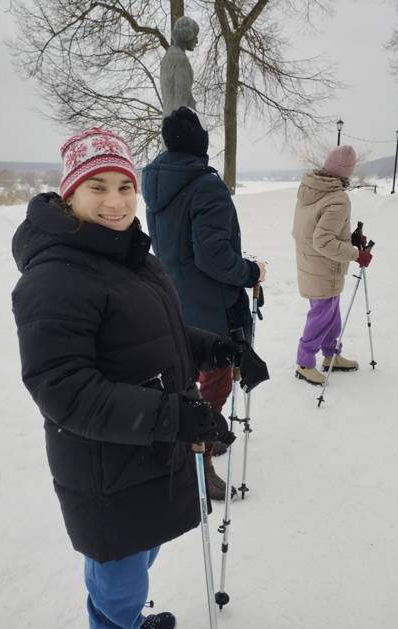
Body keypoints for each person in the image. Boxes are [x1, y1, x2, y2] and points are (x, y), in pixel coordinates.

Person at [11, 127, 243, 629]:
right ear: (70, 192)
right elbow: (63, 390)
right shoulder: (54, 278)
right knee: (119, 580)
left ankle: (126, 624)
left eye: (124, 185)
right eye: (98, 187)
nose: (115, 201)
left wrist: (216, 347)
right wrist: (173, 417)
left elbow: (158, 332)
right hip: (106, 468)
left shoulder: (130, 254)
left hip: (147, 454)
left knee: (140, 556)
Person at [141, 107, 266, 500]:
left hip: (173, 292)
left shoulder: (157, 180)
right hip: (210, 300)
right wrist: (251, 272)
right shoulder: (204, 184)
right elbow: (212, 256)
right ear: (200, 143)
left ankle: (200, 440)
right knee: (216, 377)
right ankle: (201, 457)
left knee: (190, 370)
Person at [291, 145, 373, 386]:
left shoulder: (311, 188)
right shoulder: (338, 198)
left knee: (330, 314)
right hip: (324, 267)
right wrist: (356, 254)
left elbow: (315, 228)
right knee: (321, 316)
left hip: (311, 264)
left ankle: (330, 355)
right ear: (346, 173)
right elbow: (323, 240)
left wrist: (350, 238)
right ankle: (305, 363)